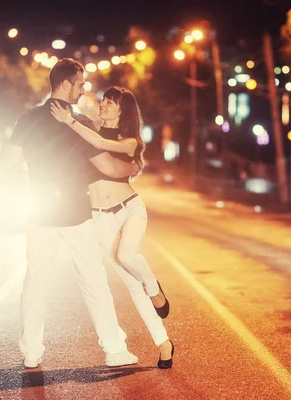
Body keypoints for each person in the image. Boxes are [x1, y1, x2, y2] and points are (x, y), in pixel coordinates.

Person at [8, 59, 140, 369]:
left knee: (35, 281)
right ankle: (114, 350)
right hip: (76, 213)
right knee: (93, 281)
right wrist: (131, 169)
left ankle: (31, 351)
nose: (83, 90)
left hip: (40, 211)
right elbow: (106, 166)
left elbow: (9, 162)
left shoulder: (27, 118)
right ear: (66, 84)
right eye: (80, 84)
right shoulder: (79, 122)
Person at [50, 86, 174, 369]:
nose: (103, 104)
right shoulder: (88, 130)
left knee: (128, 257)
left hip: (130, 209)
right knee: (131, 284)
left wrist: (69, 121)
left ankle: (155, 288)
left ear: (123, 110)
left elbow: (102, 145)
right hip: (101, 218)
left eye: (110, 102)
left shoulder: (129, 141)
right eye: (103, 100)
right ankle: (164, 343)